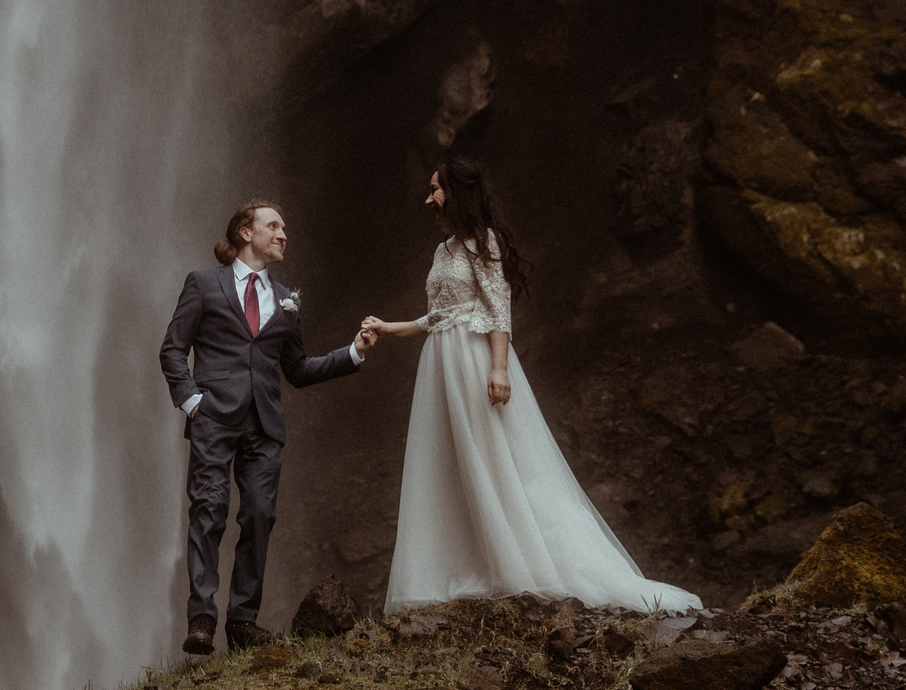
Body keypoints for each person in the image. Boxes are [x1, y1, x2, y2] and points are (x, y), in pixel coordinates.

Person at [363, 155, 700, 614]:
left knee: (493, 454)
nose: (428, 198)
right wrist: (388, 327)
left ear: (459, 191)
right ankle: (463, 564)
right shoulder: (442, 252)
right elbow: (436, 317)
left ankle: (520, 562)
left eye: (436, 188)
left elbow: (498, 309)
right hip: (440, 365)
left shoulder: (486, 243)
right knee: (448, 459)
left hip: (473, 360)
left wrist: (498, 369)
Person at [160, 199, 377, 656]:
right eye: (273, 225)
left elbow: (296, 368)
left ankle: (242, 621)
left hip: (264, 424)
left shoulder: (286, 299)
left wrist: (353, 352)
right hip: (213, 417)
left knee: (259, 516)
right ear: (245, 231)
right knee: (209, 511)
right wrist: (192, 400)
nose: (283, 234)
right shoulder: (203, 283)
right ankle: (201, 619)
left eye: (284, 228)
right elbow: (172, 349)